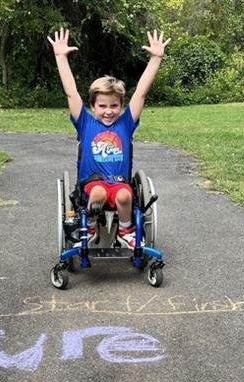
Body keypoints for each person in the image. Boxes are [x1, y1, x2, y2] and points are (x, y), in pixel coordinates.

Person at [48, 28, 169, 250]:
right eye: (102, 106)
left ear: (121, 106)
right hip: (92, 184)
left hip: (119, 183)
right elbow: (71, 93)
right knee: (98, 192)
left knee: (125, 195)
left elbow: (141, 93)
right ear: (93, 106)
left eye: (114, 105)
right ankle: (91, 226)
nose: (108, 111)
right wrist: (60, 57)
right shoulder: (86, 122)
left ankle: (125, 230)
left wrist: (155, 59)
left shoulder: (125, 123)